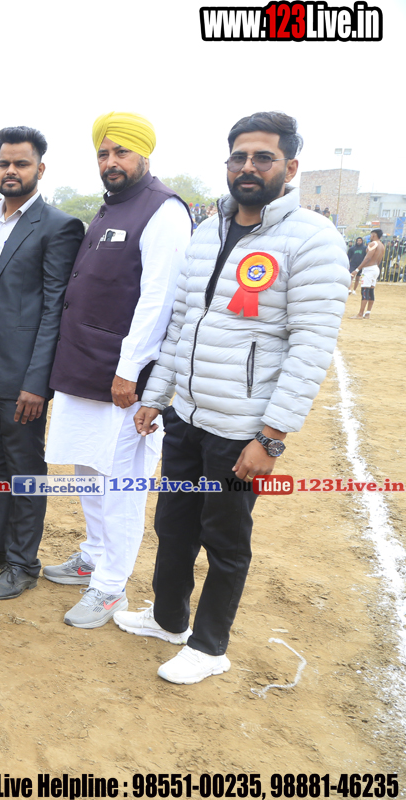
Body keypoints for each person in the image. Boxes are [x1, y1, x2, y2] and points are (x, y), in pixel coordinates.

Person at [119, 111, 348, 684]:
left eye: (263, 157)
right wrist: (157, 395)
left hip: (242, 426)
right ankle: (169, 619)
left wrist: (271, 438)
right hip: (187, 416)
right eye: (239, 157)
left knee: (224, 539)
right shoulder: (207, 232)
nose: (249, 167)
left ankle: (209, 646)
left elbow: (310, 347)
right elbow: (182, 324)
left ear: (290, 167)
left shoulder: (312, 239)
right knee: (174, 525)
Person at [44, 111, 191, 628]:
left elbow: (159, 299)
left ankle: (110, 588)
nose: (111, 161)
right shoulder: (112, 206)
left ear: (144, 154)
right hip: (84, 367)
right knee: (89, 469)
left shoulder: (164, 211)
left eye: (121, 152)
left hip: (125, 379)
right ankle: (93, 555)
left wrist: (130, 370)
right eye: (103, 153)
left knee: (122, 484)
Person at [0, 126, 84, 599]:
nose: (11, 170)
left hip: (24, 377)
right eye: (4, 163)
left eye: (21, 163)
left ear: (40, 169)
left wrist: (37, 383)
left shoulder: (58, 227)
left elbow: (54, 311)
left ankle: (23, 562)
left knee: (24, 469)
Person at [355, 229, 383, 317]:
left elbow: (367, 258)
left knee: (365, 291)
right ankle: (367, 313)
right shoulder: (382, 245)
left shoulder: (373, 244)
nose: (370, 237)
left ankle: (360, 314)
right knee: (371, 291)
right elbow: (379, 260)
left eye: (371, 235)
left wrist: (357, 269)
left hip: (369, 269)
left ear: (374, 235)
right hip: (375, 268)